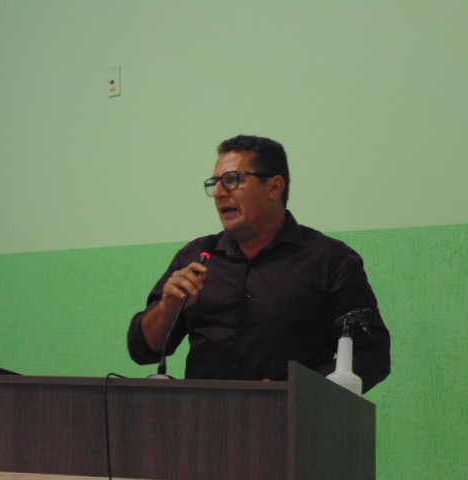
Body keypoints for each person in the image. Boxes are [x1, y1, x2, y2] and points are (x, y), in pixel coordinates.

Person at [128, 135, 391, 392]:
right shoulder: (197, 256)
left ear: (274, 187)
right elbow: (142, 350)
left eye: (233, 180)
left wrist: (297, 390)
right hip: (202, 417)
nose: (219, 193)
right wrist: (168, 308)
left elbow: (372, 355)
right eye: (215, 183)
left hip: (291, 419)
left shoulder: (330, 261)